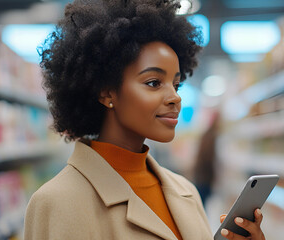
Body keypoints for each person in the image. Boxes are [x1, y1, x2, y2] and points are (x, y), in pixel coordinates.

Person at [24, 0, 266, 239]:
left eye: (176, 84)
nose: (175, 98)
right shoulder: (57, 203)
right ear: (106, 92)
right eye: (153, 83)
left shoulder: (186, 192)